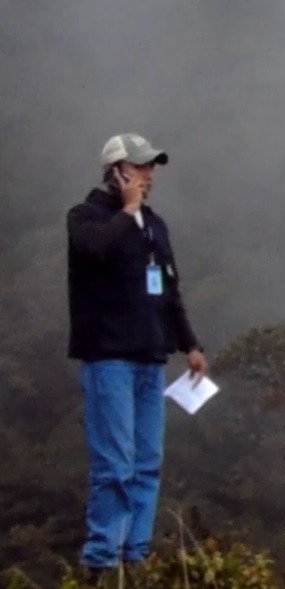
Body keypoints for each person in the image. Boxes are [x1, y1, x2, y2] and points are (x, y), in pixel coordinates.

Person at [65, 132, 209, 575]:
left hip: (151, 357)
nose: (149, 175)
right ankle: (102, 560)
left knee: (147, 462)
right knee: (115, 463)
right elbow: (94, 249)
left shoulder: (155, 225)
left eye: (151, 167)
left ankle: (136, 554)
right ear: (117, 171)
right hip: (108, 358)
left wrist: (190, 344)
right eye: (141, 167)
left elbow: (168, 288)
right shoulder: (85, 216)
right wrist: (127, 211)